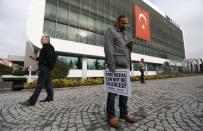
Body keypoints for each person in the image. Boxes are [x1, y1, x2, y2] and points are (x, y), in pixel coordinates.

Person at [104, 15, 136, 128]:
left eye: (126, 23)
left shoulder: (123, 35)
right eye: (123, 23)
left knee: (124, 92)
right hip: (116, 67)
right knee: (113, 92)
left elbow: (125, 51)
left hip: (125, 67)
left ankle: (124, 113)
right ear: (117, 22)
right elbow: (108, 48)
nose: (125, 25)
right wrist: (111, 65)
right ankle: (110, 116)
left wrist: (129, 46)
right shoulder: (111, 31)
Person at [20, 36, 55, 106]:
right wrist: (36, 58)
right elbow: (44, 58)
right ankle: (50, 97)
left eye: (42, 39)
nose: (40, 40)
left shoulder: (48, 47)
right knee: (48, 83)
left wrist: (43, 64)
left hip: (44, 68)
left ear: (47, 40)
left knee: (39, 84)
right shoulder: (46, 47)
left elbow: (49, 59)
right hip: (46, 68)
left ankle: (31, 101)